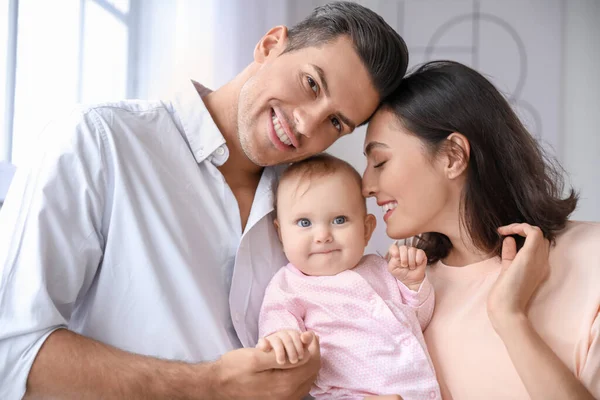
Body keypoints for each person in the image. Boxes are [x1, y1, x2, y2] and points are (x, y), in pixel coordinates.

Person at [0, 2, 409, 399]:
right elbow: (10, 353)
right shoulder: (100, 141)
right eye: (311, 83)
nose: (306, 124)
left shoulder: (313, 207)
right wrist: (210, 386)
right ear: (269, 45)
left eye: (336, 122)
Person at [362, 60, 600, 399]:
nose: (366, 186)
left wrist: (509, 316)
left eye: (380, 162)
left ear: (453, 156)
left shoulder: (592, 259)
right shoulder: (406, 295)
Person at [256, 154, 440, 400]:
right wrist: (282, 339)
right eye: (304, 222)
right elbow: (276, 337)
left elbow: (419, 321)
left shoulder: (381, 269)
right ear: (281, 233)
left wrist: (413, 284)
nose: (322, 235)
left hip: (422, 390)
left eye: (339, 220)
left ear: (366, 230)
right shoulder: (289, 287)